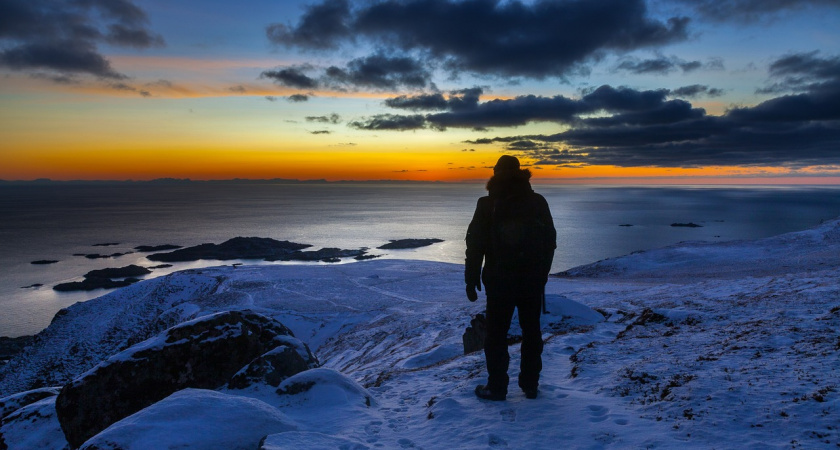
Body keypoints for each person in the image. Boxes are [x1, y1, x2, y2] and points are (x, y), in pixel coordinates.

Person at [465, 155, 556, 401]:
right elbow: (550, 242)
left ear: (496, 173)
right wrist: (542, 275)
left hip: (499, 281)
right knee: (531, 332)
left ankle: (497, 387)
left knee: (496, 335)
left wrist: (471, 278)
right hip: (531, 281)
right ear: (521, 174)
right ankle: (530, 385)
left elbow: (475, 245)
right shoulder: (537, 202)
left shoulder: (487, 204)